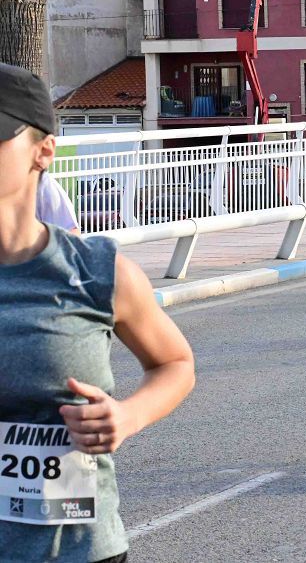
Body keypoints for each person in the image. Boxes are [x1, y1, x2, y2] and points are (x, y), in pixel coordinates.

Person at [0, 62, 195, 561]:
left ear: (43, 152)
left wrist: (126, 417)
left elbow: (175, 364)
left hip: (78, 549)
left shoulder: (97, 272)